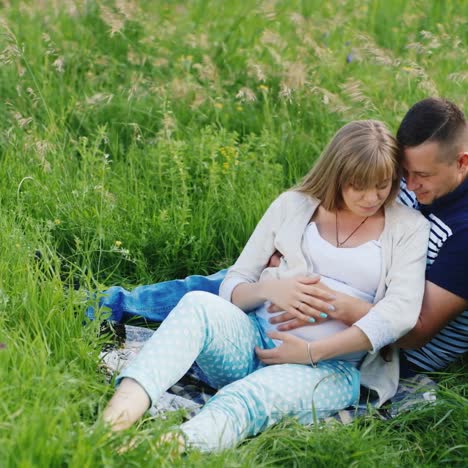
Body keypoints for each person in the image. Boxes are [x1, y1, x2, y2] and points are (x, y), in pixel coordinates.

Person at [101, 120, 429, 452]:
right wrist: (271, 291)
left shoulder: (408, 228)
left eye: (382, 185)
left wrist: (312, 351)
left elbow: (399, 314)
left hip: (332, 368)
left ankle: (157, 451)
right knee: (197, 303)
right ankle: (112, 425)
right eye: (359, 185)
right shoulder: (294, 205)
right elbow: (235, 283)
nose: (372, 197)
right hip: (254, 341)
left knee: (247, 397)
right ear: (338, 175)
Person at [92, 97, 468, 377]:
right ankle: (101, 306)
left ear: (462, 162)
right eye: (402, 172)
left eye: (421, 175)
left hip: (383, 348)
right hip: (333, 280)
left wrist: (324, 299)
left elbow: (413, 331)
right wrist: (290, 261)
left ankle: (119, 318)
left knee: (247, 286)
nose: (408, 184)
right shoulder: (410, 180)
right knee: (236, 280)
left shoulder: (464, 232)